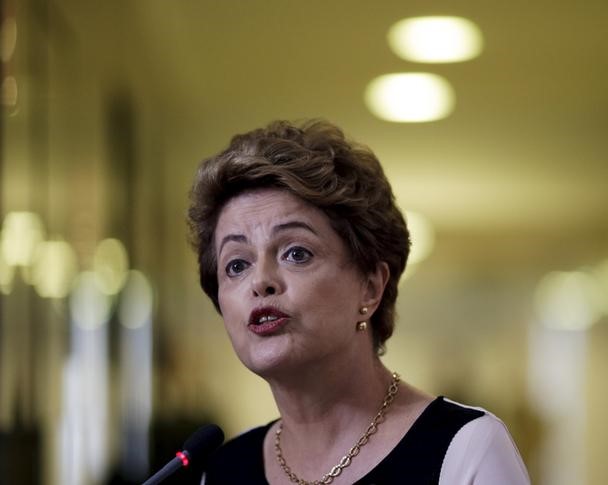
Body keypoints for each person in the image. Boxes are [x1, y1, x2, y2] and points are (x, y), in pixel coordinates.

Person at [187, 119, 530, 484]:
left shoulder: (466, 448)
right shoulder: (224, 471)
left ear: (370, 287)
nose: (261, 282)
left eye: (296, 254)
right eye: (237, 264)